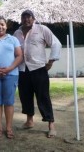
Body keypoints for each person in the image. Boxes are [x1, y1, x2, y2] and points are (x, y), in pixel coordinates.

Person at [13, 10, 61, 138]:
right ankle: (29, 121)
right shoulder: (16, 33)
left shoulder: (42, 29)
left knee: (43, 97)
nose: (26, 20)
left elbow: (56, 43)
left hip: (39, 68)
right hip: (22, 70)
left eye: (29, 17)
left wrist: (51, 61)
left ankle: (51, 124)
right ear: (21, 19)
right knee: (25, 96)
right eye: (24, 17)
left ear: (33, 18)